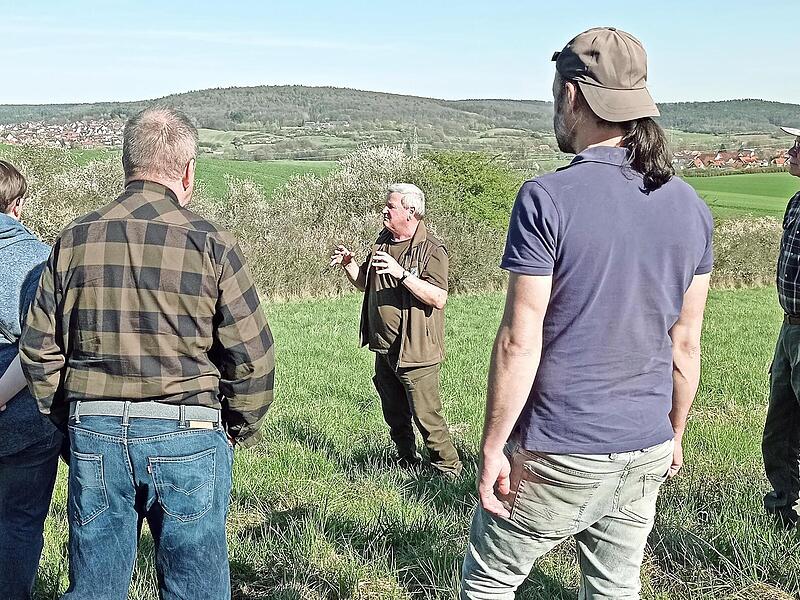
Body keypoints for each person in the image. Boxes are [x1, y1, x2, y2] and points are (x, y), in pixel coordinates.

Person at [460, 28, 713, 599]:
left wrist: (494, 446)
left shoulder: (546, 198)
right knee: (615, 588)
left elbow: (519, 342)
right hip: (644, 444)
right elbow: (685, 345)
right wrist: (673, 434)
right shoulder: (692, 208)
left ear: (573, 95)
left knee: (491, 582)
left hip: (560, 445)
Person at [19, 107, 275, 600]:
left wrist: (70, 419)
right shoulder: (211, 242)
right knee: (195, 589)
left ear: (126, 164)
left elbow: (39, 349)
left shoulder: (74, 239)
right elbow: (252, 356)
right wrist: (233, 429)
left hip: (95, 428)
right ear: (187, 171)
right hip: (191, 431)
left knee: (96, 587)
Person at [330, 184, 462, 477]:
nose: (384, 211)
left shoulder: (432, 249)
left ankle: (448, 468)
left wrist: (401, 274)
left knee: (427, 415)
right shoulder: (383, 241)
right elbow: (366, 282)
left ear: (411, 211)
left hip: (416, 349)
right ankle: (406, 459)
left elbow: (438, 297)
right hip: (385, 346)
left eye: (390, 206)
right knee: (394, 412)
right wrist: (350, 265)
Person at [0, 160, 64, 600]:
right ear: (17, 205)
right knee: (20, 522)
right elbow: (41, 345)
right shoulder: (41, 259)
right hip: (26, 418)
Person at [762, 124, 800, 529]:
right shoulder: (796, 202)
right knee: (780, 431)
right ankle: (783, 511)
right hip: (789, 329)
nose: (791, 151)